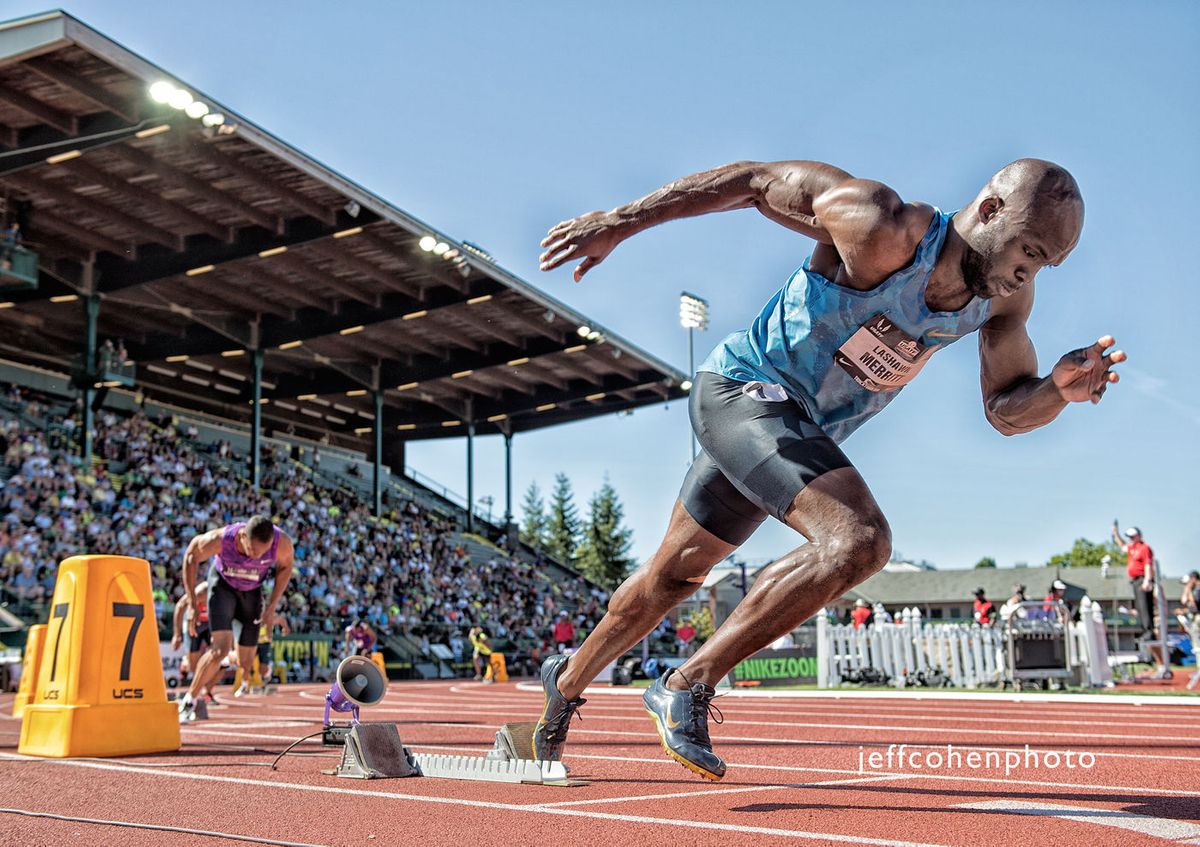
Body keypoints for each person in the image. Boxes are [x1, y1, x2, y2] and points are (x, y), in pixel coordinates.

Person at [532, 157, 1123, 780]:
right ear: (991, 210)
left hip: (796, 434)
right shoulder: (882, 227)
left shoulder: (1003, 302)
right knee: (858, 540)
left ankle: (562, 685)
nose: (1027, 273)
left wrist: (1058, 390)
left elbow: (1004, 410)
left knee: (674, 576)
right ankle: (688, 681)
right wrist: (619, 223)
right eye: (1027, 250)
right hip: (743, 391)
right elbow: (752, 183)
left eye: (1043, 265)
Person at [177, 515, 295, 722]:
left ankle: (227, 657)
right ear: (242, 537)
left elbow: (285, 568)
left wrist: (272, 606)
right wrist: (193, 603)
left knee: (245, 662)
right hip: (223, 587)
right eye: (252, 551)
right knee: (219, 648)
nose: (257, 558)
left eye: (263, 553)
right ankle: (190, 699)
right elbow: (191, 557)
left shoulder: (282, 543)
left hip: (252, 592)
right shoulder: (221, 539)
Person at [171, 580, 217, 702]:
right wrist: (177, 634)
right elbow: (180, 607)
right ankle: (186, 663)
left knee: (220, 658)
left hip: (209, 625)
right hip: (194, 624)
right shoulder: (201, 591)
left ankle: (207, 691)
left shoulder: (224, 594)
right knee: (193, 667)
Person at [1112, 522, 1155, 638]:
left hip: (1143, 580)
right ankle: (1145, 631)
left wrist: (1147, 580)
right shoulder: (1132, 548)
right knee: (1140, 607)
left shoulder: (1144, 548)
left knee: (1145, 607)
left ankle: (1149, 632)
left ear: (1139, 536)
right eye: (1129, 537)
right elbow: (1122, 545)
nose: (1131, 539)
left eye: (1133, 536)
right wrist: (1116, 533)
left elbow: (1148, 564)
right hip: (1135, 580)